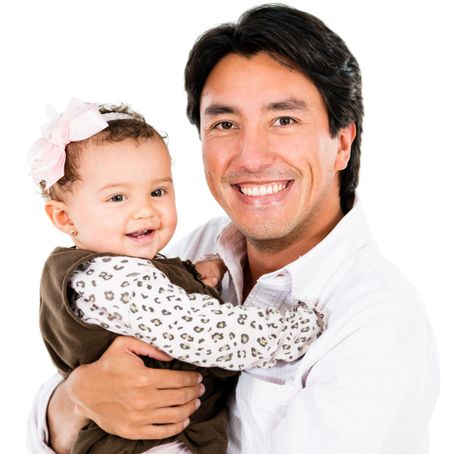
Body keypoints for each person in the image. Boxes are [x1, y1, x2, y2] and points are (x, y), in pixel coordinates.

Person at [29, 4, 439, 454]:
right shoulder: (185, 247)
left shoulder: (377, 324)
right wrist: (76, 399)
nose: (252, 157)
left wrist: (81, 404)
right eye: (225, 123)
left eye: (283, 120)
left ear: (341, 142)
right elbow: (59, 409)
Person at [28, 98, 323, 453]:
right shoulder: (111, 278)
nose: (145, 210)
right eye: (117, 197)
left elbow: (161, 300)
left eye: (158, 192)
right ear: (65, 218)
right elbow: (208, 333)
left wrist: (200, 274)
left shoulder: (110, 268)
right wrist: (296, 328)